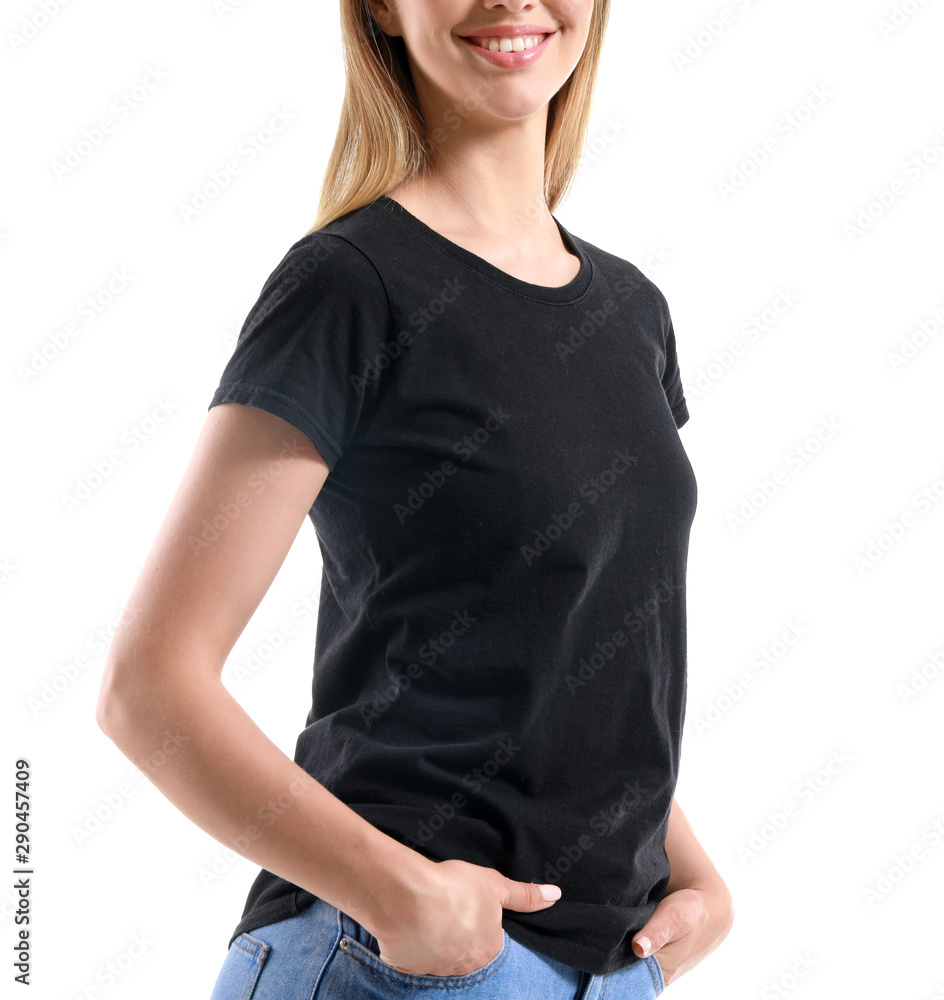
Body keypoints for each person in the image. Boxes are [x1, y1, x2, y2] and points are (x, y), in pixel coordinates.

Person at [96, 1, 734, 997]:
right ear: (385, 8)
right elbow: (148, 687)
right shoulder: (346, 288)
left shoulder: (631, 312)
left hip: (605, 969)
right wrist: (400, 898)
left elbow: (569, 655)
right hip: (397, 962)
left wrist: (685, 867)